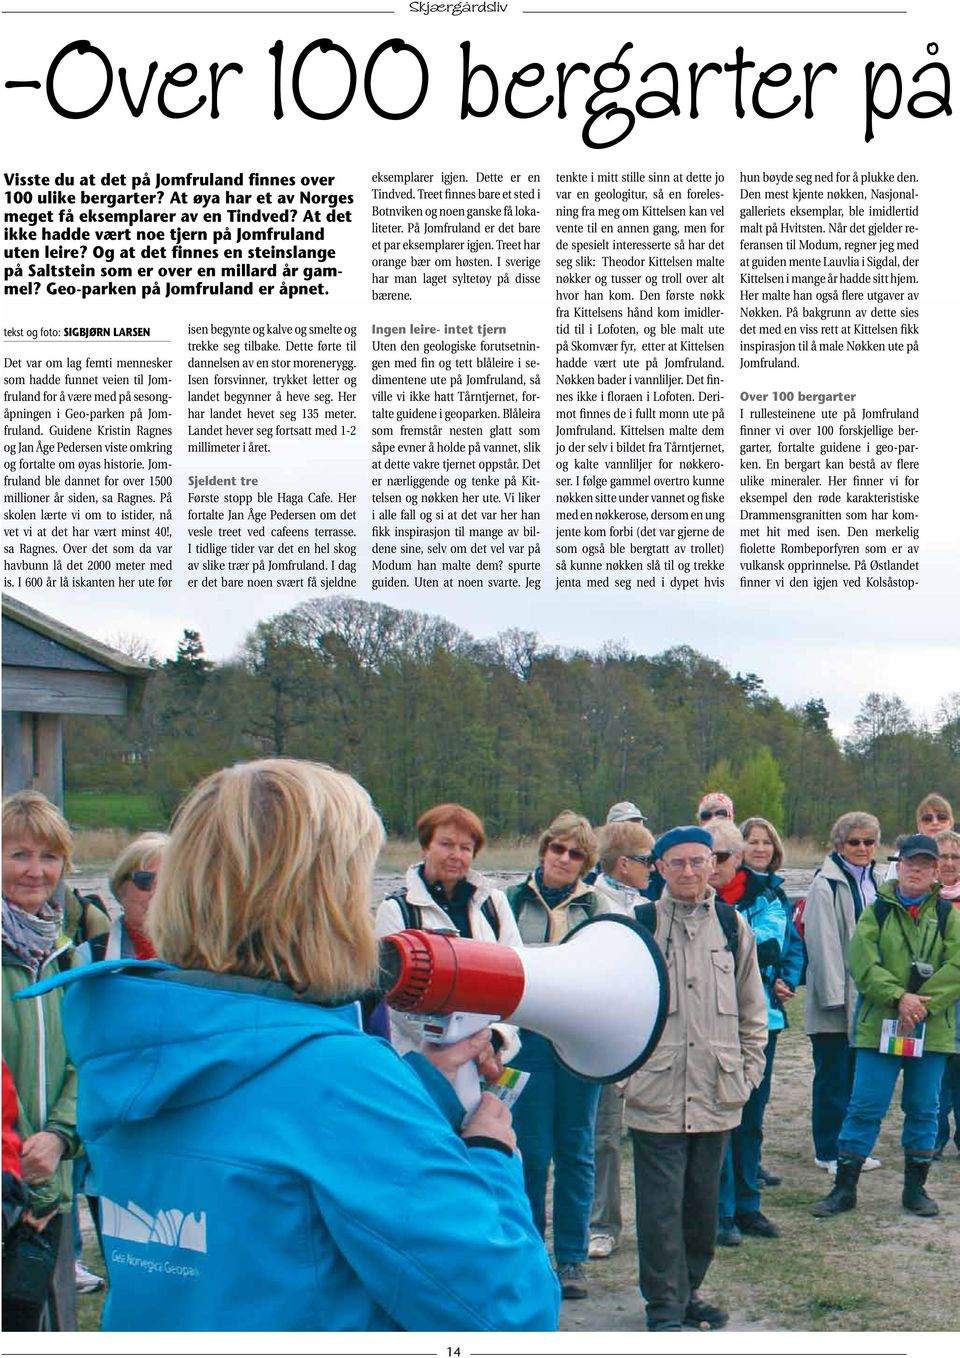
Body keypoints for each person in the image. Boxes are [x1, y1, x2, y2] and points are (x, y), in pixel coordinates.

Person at [42, 760, 560, 1331]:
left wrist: (413, 1089)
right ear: (322, 899)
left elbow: (255, 1149)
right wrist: (489, 1156)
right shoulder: (339, 1079)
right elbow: (510, 1312)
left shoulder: (130, 1036)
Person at [623, 826, 767, 1332]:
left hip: (716, 1090)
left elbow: (754, 1008)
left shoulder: (732, 925)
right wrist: (625, 1080)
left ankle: (689, 1293)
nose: (688, 871)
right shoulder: (636, 924)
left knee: (702, 1210)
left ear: (714, 865)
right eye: (677, 863)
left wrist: (749, 1072)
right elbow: (613, 1010)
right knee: (660, 1210)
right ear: (659, 867)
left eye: (698, 861)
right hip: (655, 1091)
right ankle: (663, 1310)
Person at [812, 834, 960, 1218]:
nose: (917, 870)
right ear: (900, 865)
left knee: (924, 1108)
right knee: (865, 1105)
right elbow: (862, 963)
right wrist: (900, 998)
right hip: (880, 1025)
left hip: (932, 1029)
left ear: (935, 872)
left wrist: (923, 1004)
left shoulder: (948, 916)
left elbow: (957, 967)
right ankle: (845, 1189)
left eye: (926, 865)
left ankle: (915, 1189)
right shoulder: (875, 911)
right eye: (911, 863)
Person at [507, 811, 600, 1301]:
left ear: (587, 862)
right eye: (558, 849)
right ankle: (528, 1250)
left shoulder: (600, 907)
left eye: (576, 853)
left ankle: (572, 1258)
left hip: (579, 1042)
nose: (564, 859)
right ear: (543, 849)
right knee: (529, 1149)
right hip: (525, 1041)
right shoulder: (509, 902)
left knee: (576, 1149)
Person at [2, 791, 81, 1331]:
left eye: (48, 856)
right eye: (18, 854)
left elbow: (87, 1058)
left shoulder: (67, 955)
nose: (37, 871)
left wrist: (58, 1136)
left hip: (46, 1180)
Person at [375, 803, 522, 1062]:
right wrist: (455, 1046)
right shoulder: (396, 910)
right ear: (425, 847)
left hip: (487, 1057)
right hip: (420, 1061)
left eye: (465, 848)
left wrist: (496, 1039)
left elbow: (519, 978)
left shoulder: (494, 904)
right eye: (446, 844)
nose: (456, 855)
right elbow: (393, 1000)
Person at [710, 821, 788, 1245]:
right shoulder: (686, 899)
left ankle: (748, 1204)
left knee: (750, 1118)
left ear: (736, 858)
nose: (711, 866)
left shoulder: (768, 896)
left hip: (758, 1020)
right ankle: (720, 1211)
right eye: (708, 856)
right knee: (719, 1118)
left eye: (720, 856)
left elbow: (768, 945)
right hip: (707, 1023)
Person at [587, 819, 655, 1261]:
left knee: (614, 1132)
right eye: (647, 861)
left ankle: (609, 1223)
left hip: (625, 1031)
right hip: (593, 1028)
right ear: (624, 864)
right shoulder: (594, 901)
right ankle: (593, 1223)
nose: (653, 868)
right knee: (596, 1134)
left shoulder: (648, 903)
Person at [803, 811, 883, 1174]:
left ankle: (852, 1148)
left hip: (867, 1000)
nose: (862, 848)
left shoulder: (877, 882)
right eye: (855, 842)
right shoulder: (826, 883)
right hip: (835, 1003)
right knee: (832, 1078)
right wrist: (835, 997)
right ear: (839, 845)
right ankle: (828, 1149)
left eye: (869, 841)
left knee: (857, 1079)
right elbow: (823, 945)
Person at [739, 816, 805, 1188]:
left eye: (766, 842)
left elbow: (792, 946)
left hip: (769, 1010)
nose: (760, 848)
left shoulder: (777, 895)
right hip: (739, 1006)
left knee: (758, 1097)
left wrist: (787, 978)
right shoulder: (733, 893)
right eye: (752, 841)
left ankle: (751, 1164)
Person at [76, 832, 169, 966]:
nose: (156, 893)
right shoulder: (88, 956)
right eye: (145, 880)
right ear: (120, 889)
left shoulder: (203, 954)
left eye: (168, 883)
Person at [933, 828, 960, 1158]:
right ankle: (934, 1137)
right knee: (935, 1074)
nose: (950, 863)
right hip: (935, 1000)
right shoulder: (923, 900)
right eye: (944, 856)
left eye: (956, 856)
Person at [883, 793, 955, 880]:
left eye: (942, 817)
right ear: (919, 825)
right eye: (927, 818)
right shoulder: (903, 854)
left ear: (951, 823)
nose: (935, 822)